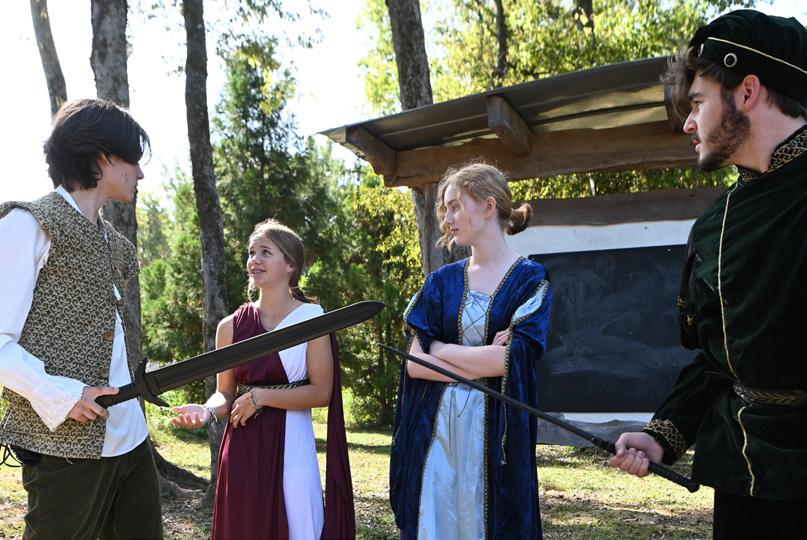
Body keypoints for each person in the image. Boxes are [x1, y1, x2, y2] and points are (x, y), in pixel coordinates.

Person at [608, 9, 807, 539]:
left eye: (697, 102)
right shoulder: (714, 227)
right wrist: (662, 436)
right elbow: (718, 365)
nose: (688, 123)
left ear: (748, 91)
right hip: (743, 480)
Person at [0, 99, 162, 539]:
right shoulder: (29, 224)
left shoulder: (115, 245)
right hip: (65, 447)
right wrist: (60, 395)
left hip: (131, 439)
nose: (140, 174)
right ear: (103, 157)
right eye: (133, 160)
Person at [389, 163, 552, 539]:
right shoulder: (441, 282)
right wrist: (481, 361)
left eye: (455, 207)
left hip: (494, 434)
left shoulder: (529, 279)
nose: (447, 219)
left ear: (488, 206)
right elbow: (415, 364)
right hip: (437, 435)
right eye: (445, 209)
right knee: (436, 521)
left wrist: (440, 347)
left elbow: (510, 360)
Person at [171, 219, 355, 540]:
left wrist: (261, 397)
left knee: (298, 523)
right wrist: (207, 411)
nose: (254, 260)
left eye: (265, 252)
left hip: (293, 445)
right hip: (242, 447)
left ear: (290, 265)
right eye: (251, 252)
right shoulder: (230, 326)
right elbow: (224, 394)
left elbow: (322, 392)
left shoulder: (312, 320)